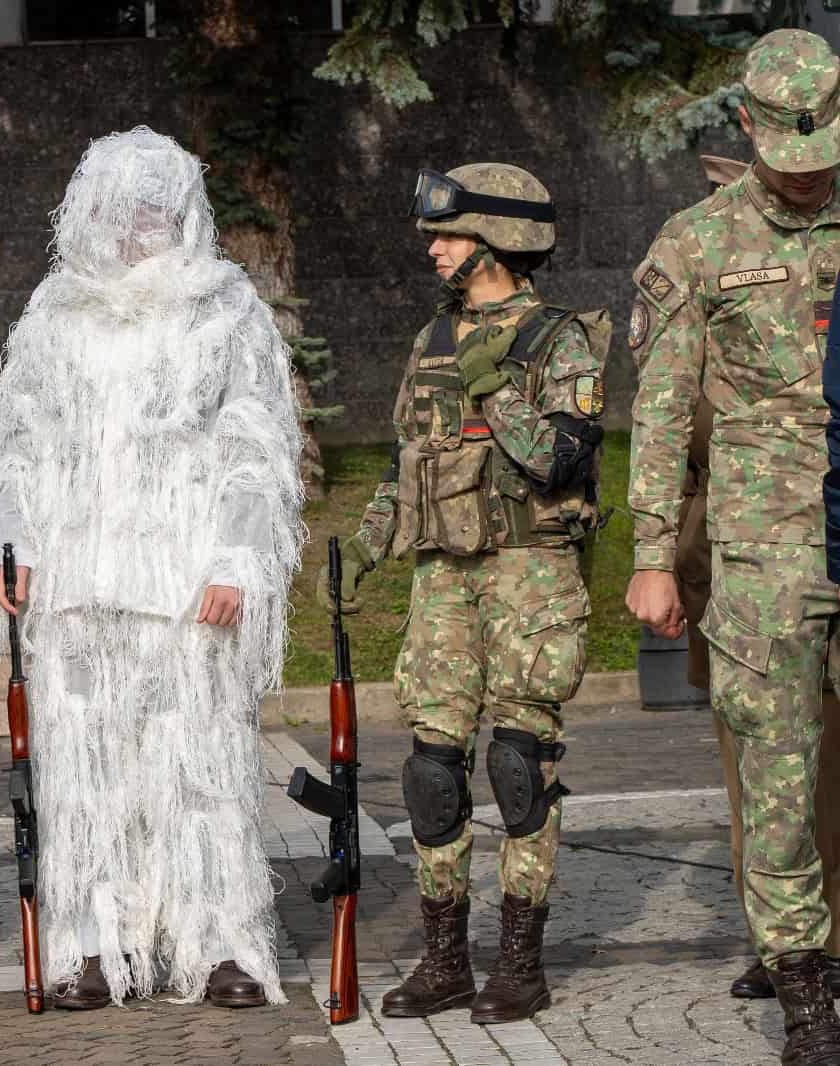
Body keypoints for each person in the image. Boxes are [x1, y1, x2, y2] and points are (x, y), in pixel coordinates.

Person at [0, 126, 304, 1010]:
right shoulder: (55, 312)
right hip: (80, 590)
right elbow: (21, 444)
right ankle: (92, 946)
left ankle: (223, 944)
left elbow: (256, 446)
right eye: (127, 209)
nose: (142, 225)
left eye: (160, 207)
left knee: (197, 768)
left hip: (184, 586)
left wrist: (239, 556)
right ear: (94, 211)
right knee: (86, 776)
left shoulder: (225, 308)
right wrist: (17, 546)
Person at [328, 163, 607, 1025]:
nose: (435, 252)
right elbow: (407, 461)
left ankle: (519, 965)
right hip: (443, 576)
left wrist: (497, 391)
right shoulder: (431, 340)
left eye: (446, 238)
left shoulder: (563, 338)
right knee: (431, 772)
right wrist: (368, 546)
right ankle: (444, 960)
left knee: (519, 766)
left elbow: (562, 454)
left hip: (531, 572)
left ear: (494, 242)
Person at [627, 28, 840, 1064]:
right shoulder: (696, 243)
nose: (808, 185)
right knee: (777, 775)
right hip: (763, 550)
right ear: (747, 127)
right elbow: (661, 412)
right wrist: (653, 550)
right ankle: (804, 992)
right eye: (791, 165)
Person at [673, 153, 840, 1004]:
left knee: (822, 767)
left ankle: (824, 934)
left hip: (809, 539)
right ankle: (781, 945)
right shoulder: (701, 278)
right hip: (738, 558)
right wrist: (668, 560)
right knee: (760, 761)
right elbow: (678, 444)